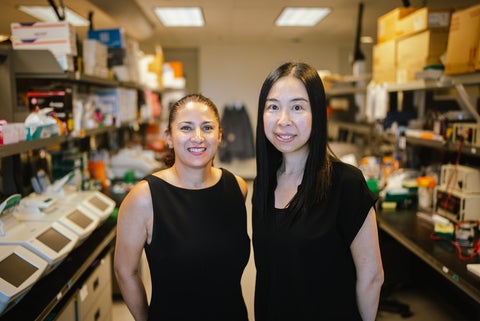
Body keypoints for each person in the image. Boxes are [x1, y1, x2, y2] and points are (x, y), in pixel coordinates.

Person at [252, 62, 384, 321]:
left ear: (318, 114)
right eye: (273, 107)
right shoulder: (264, 183)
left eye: (298, 107)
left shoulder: (346, 183)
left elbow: (372, 277)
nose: (283, 120)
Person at [114, 93, 251, 321]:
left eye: (207, 128)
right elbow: (124, 271)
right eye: (186, 128)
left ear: (219, 136)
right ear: (169, 137)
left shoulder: (237, 188)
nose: (197, 137)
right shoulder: (144, 197)